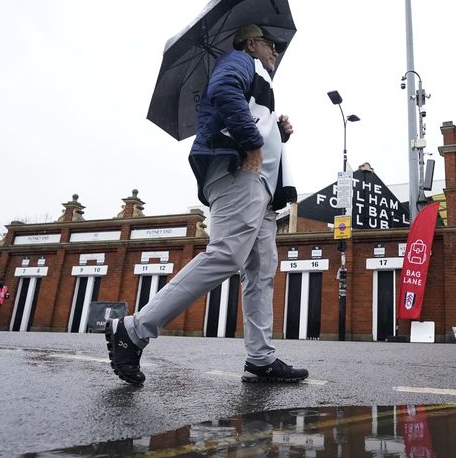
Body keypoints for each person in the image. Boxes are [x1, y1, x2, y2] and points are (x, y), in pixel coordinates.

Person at [105, 24, 307, 386]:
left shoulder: (257, 76)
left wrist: (279, 131)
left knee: (261, 271)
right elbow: (225, 92)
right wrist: (253, 143)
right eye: (269, 44)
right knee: (226, 254)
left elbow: (249, 114)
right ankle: (133, 329)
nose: (275, 51)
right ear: (250, 43)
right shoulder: (238, 62)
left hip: (261, 188)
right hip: (239, 173)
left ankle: (261, 359)